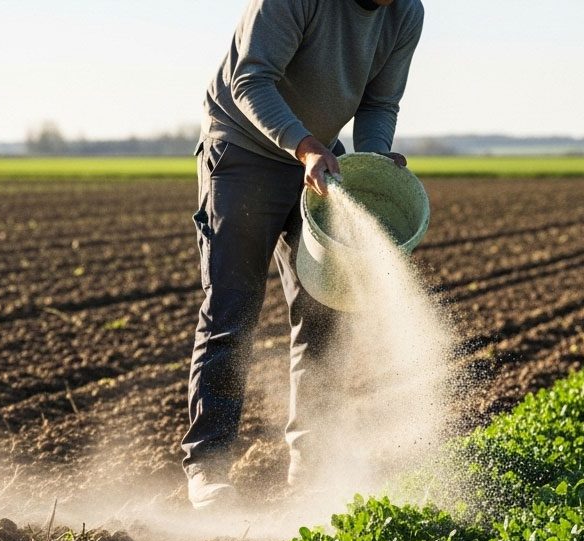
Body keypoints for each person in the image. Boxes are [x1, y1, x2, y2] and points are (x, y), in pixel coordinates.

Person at [181, 0, 424, 509]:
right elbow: (250, 80)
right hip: (242, 150)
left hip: (320, 161)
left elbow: (380, 102)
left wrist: (373, 158)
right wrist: (305, 145)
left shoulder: (405, 13)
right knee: (233, 311)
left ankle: (313, 469)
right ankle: (209, 467)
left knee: (324, 313)